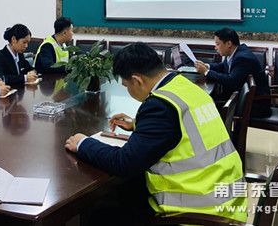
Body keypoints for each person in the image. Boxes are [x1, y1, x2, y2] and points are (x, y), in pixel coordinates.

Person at [65, 43, 247, 225]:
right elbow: (181, 128)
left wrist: (83, 143)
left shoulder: (159, 106)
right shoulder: (186, 87)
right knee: (126, 190)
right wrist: (138, 124)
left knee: (100, 214)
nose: (128, 90)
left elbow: (124, 163)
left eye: (126, 85)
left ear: (137, 80)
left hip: (195, 214)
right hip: (227, 201)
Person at [194, 27, 271, 117]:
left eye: (218, 44)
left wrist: (206, 72)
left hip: (255, 106)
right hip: (241, 98)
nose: (215, 48)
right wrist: (207, 66)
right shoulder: (236, 51)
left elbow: (231, 81)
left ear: (229, 44)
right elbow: (224, 66)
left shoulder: (243, 58)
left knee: (203, 109)